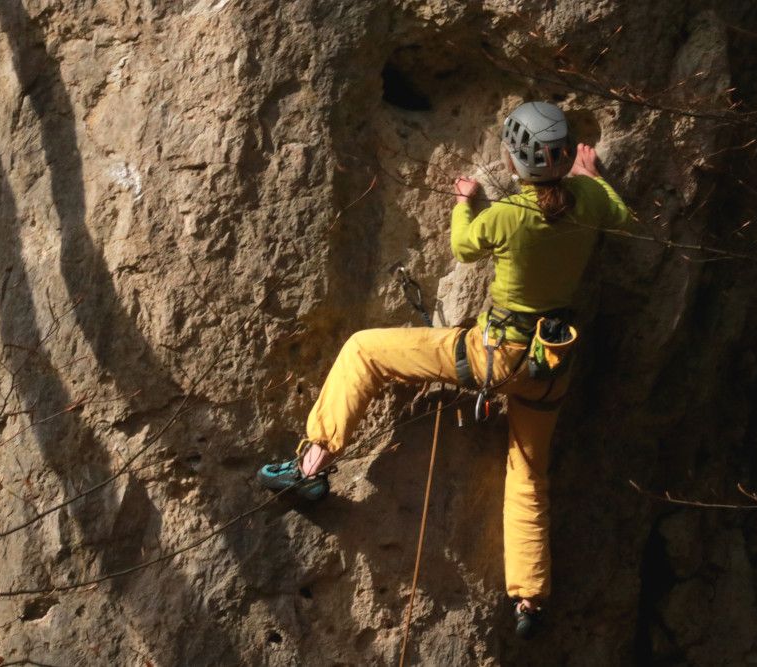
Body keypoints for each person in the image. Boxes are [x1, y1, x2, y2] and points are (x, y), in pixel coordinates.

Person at [257, 101, 631, 638]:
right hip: (551, 362)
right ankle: (530, 600)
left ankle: (310, 468)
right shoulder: (593, 201)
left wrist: (465, 202)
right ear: (568, 155)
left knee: (364, 349)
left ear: (512, 161)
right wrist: (592, 177)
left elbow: (462, 245)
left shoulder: (506, 216)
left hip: (493, 355)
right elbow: (624, 217)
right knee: (528, 474)